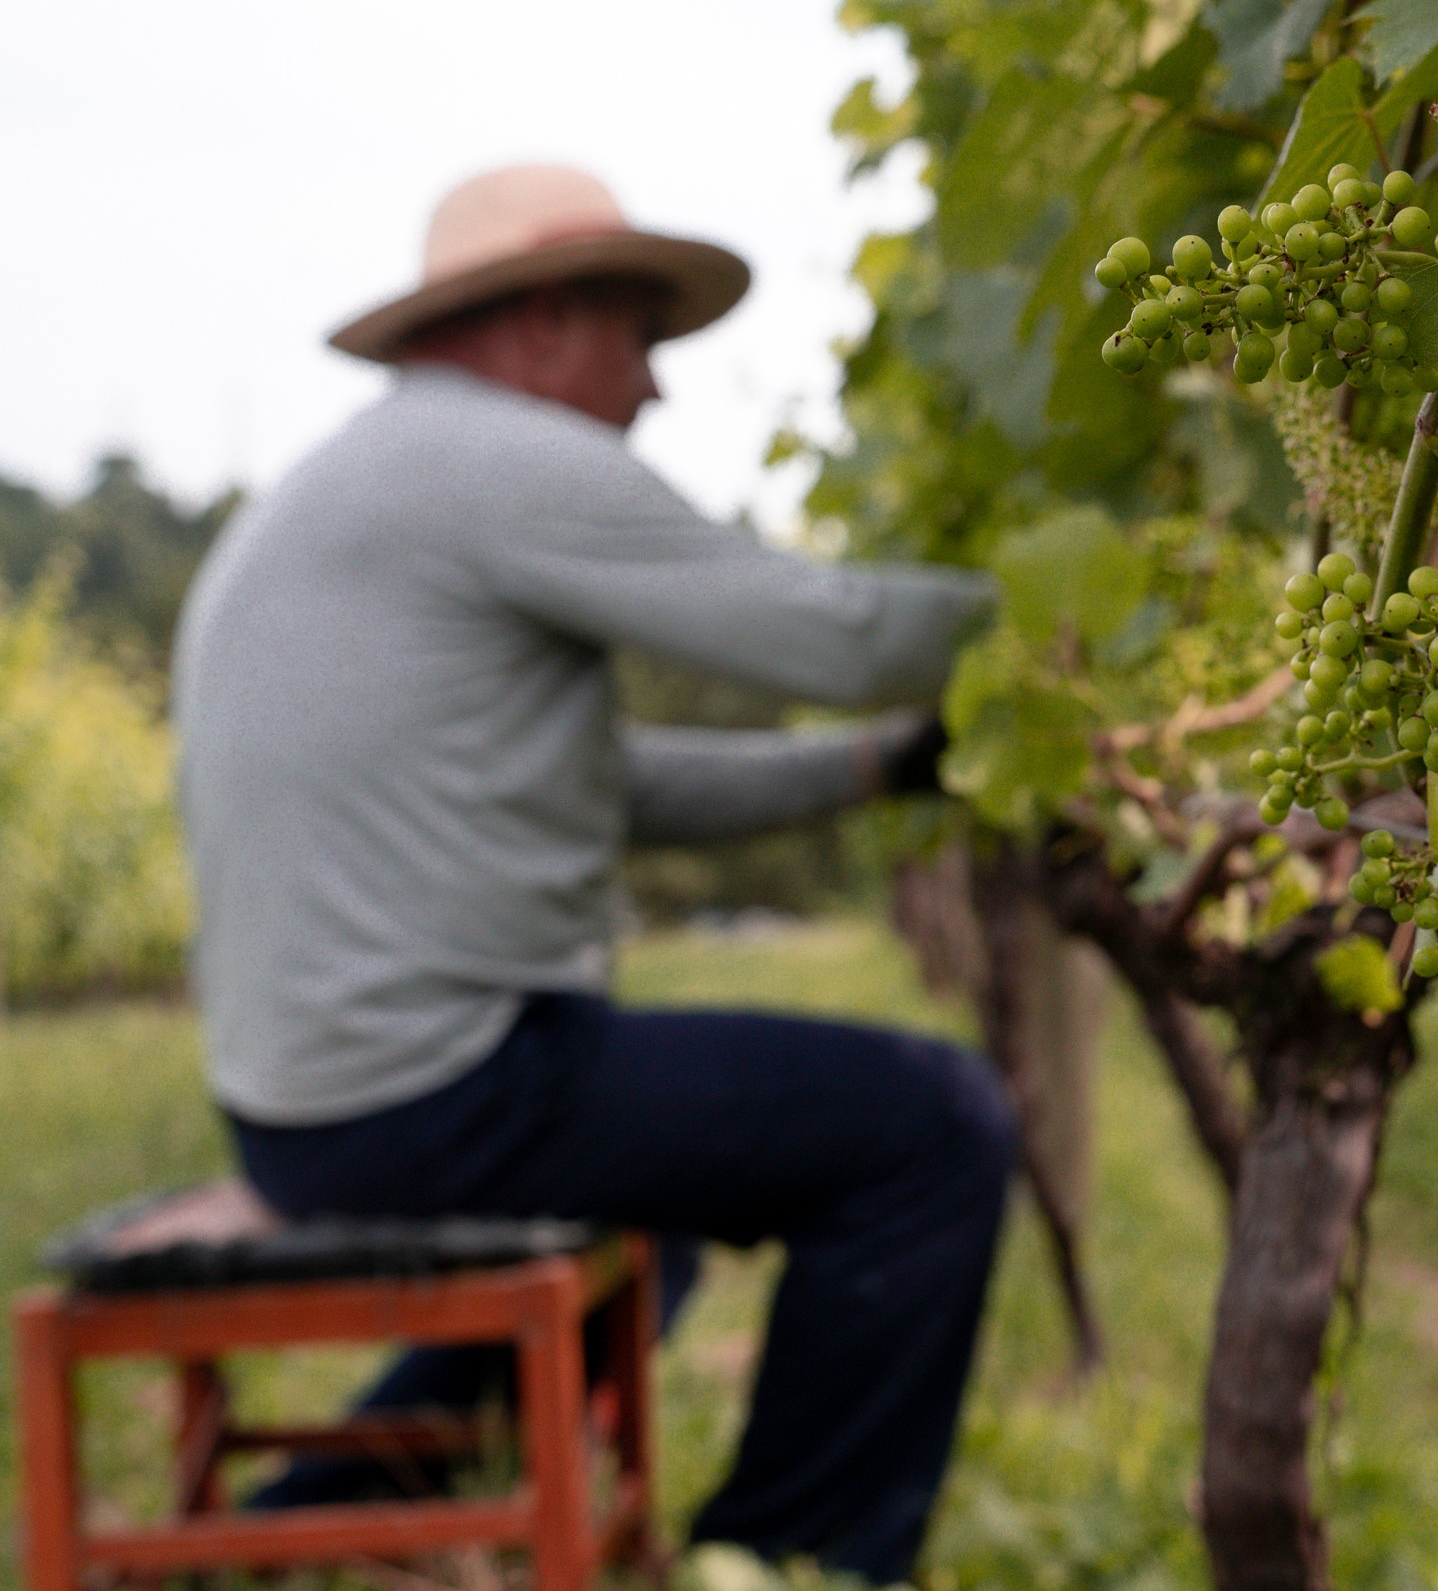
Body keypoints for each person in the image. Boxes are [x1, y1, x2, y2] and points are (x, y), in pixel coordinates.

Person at [172, 164, 1014, 1584]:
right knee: (934, 1125)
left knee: (662, 1227)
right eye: (642, 338)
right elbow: (841, 636)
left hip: (306, 1107)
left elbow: (608, 788)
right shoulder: (497, 461)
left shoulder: (369, 480)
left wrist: (876, 767)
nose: (656, 388)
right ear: (548, 319)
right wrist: (1083, 613)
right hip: (434, 1091)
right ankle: (786, 1563)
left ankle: (298, 1524)